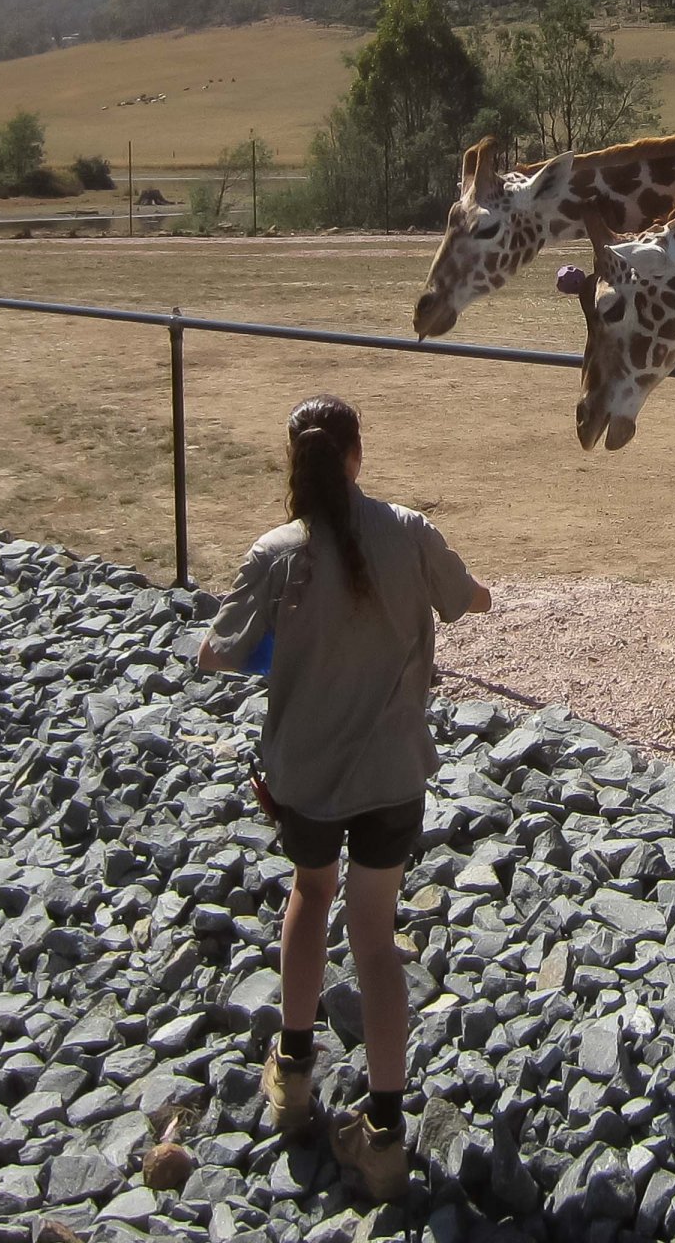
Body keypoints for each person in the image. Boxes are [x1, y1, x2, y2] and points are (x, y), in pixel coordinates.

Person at [197, 393, 492, 1200]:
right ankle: (385, 1133)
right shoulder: (410, 531)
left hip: (303, 776)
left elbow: (216, 654)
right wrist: (472, 593)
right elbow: (470, 598)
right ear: (357, 455)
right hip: (392, 776)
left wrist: (276, 644)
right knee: (375, 935)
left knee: (309, 892)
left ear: (295, 462)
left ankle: (293, 1076)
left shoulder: (276, 552)